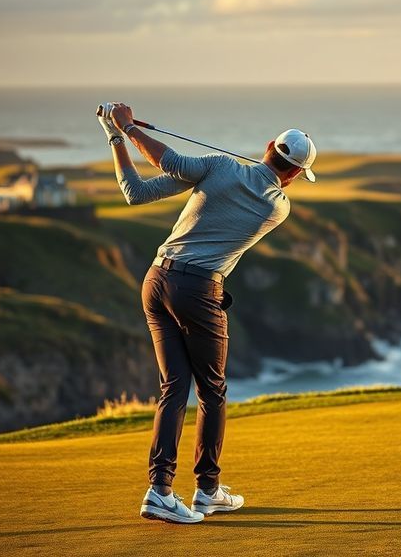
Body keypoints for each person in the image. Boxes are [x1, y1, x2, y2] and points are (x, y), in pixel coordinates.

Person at [96, 102, 317, 524]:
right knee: (211, 393)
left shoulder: (219, 166)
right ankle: (207, 491)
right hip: (197, 291)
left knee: (173, 388)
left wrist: (118, 132)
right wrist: (126, 129)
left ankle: (160, 490)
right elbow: (170, 165)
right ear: (293, 174)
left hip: (156, 281)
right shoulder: (278, 207)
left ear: (268, 146)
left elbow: (138, 189)